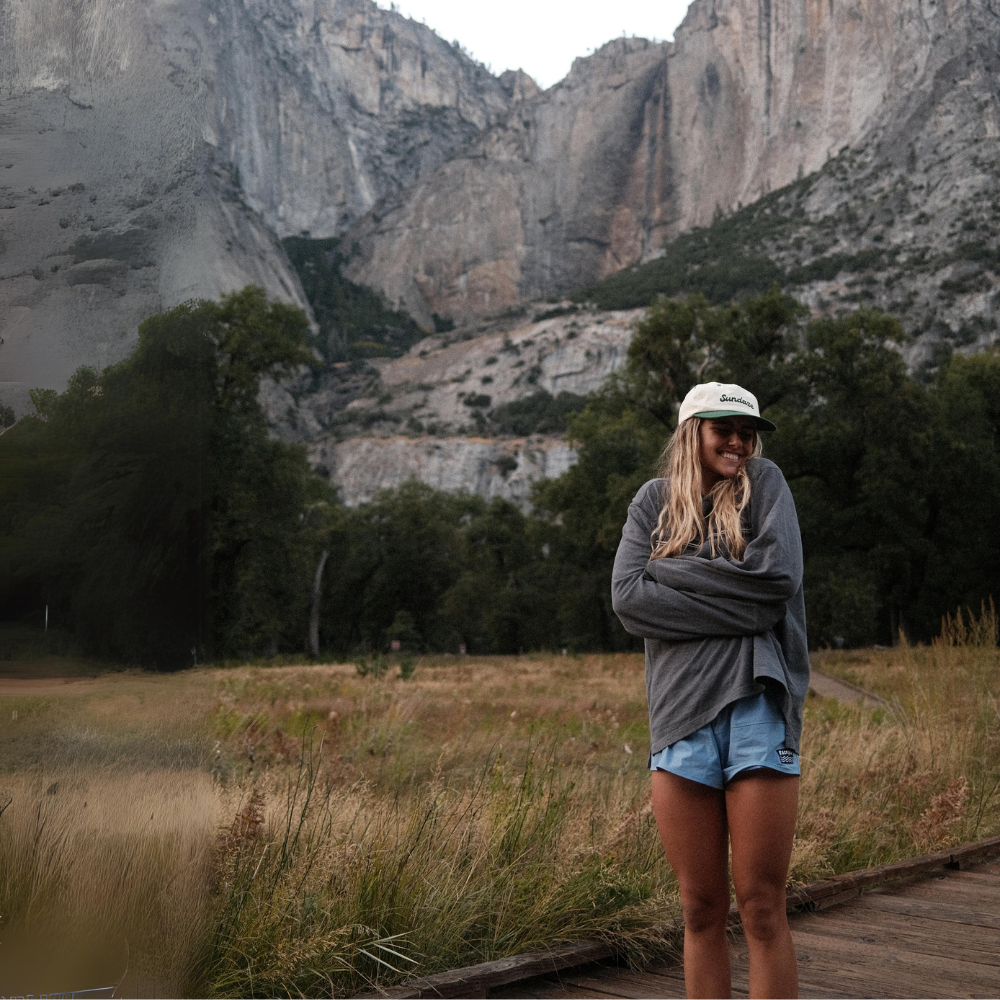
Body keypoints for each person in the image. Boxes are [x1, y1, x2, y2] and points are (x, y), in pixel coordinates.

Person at [611, 381, 809, 1000]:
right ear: (691, 432)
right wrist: (736, 597)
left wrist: (668, 571)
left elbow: (775, 579)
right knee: (699, 911)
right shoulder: (651, 503)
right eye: (723, 429)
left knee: (760, 906)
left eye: (746, 431)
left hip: (757, 706)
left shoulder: (764, 484)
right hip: (679, 721)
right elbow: (629, 601)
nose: (738, 442)